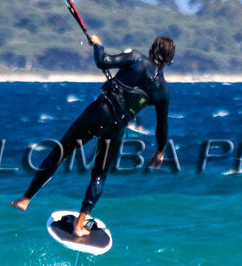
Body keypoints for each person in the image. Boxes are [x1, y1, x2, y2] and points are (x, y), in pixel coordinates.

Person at [10, 33, 175, 236]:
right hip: (116, 128)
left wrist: (98, 45)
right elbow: (162, 126)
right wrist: (160, 151)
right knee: (99, 174)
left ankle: (25, 199)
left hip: (98, 113)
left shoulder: (136, 58)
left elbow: (102, 61)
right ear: (170, 60)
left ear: (151, 49)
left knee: (60, 153)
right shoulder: (163, 91)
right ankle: (80, 224)